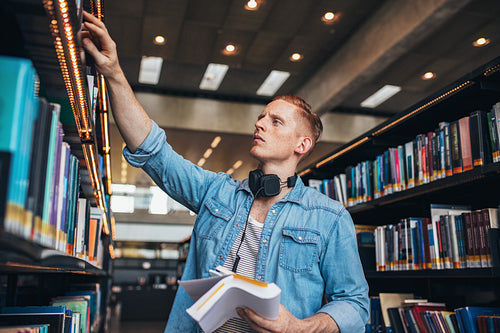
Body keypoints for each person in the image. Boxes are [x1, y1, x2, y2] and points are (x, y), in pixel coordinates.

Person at [82, 11, 369, 333]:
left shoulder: (328, 218)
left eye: (276, 121)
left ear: (301, 145)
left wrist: (300, 328)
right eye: (261, 117)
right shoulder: (215, 192)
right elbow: (153, 151)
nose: (259, 124)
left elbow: (354, 304)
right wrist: (114, 72)